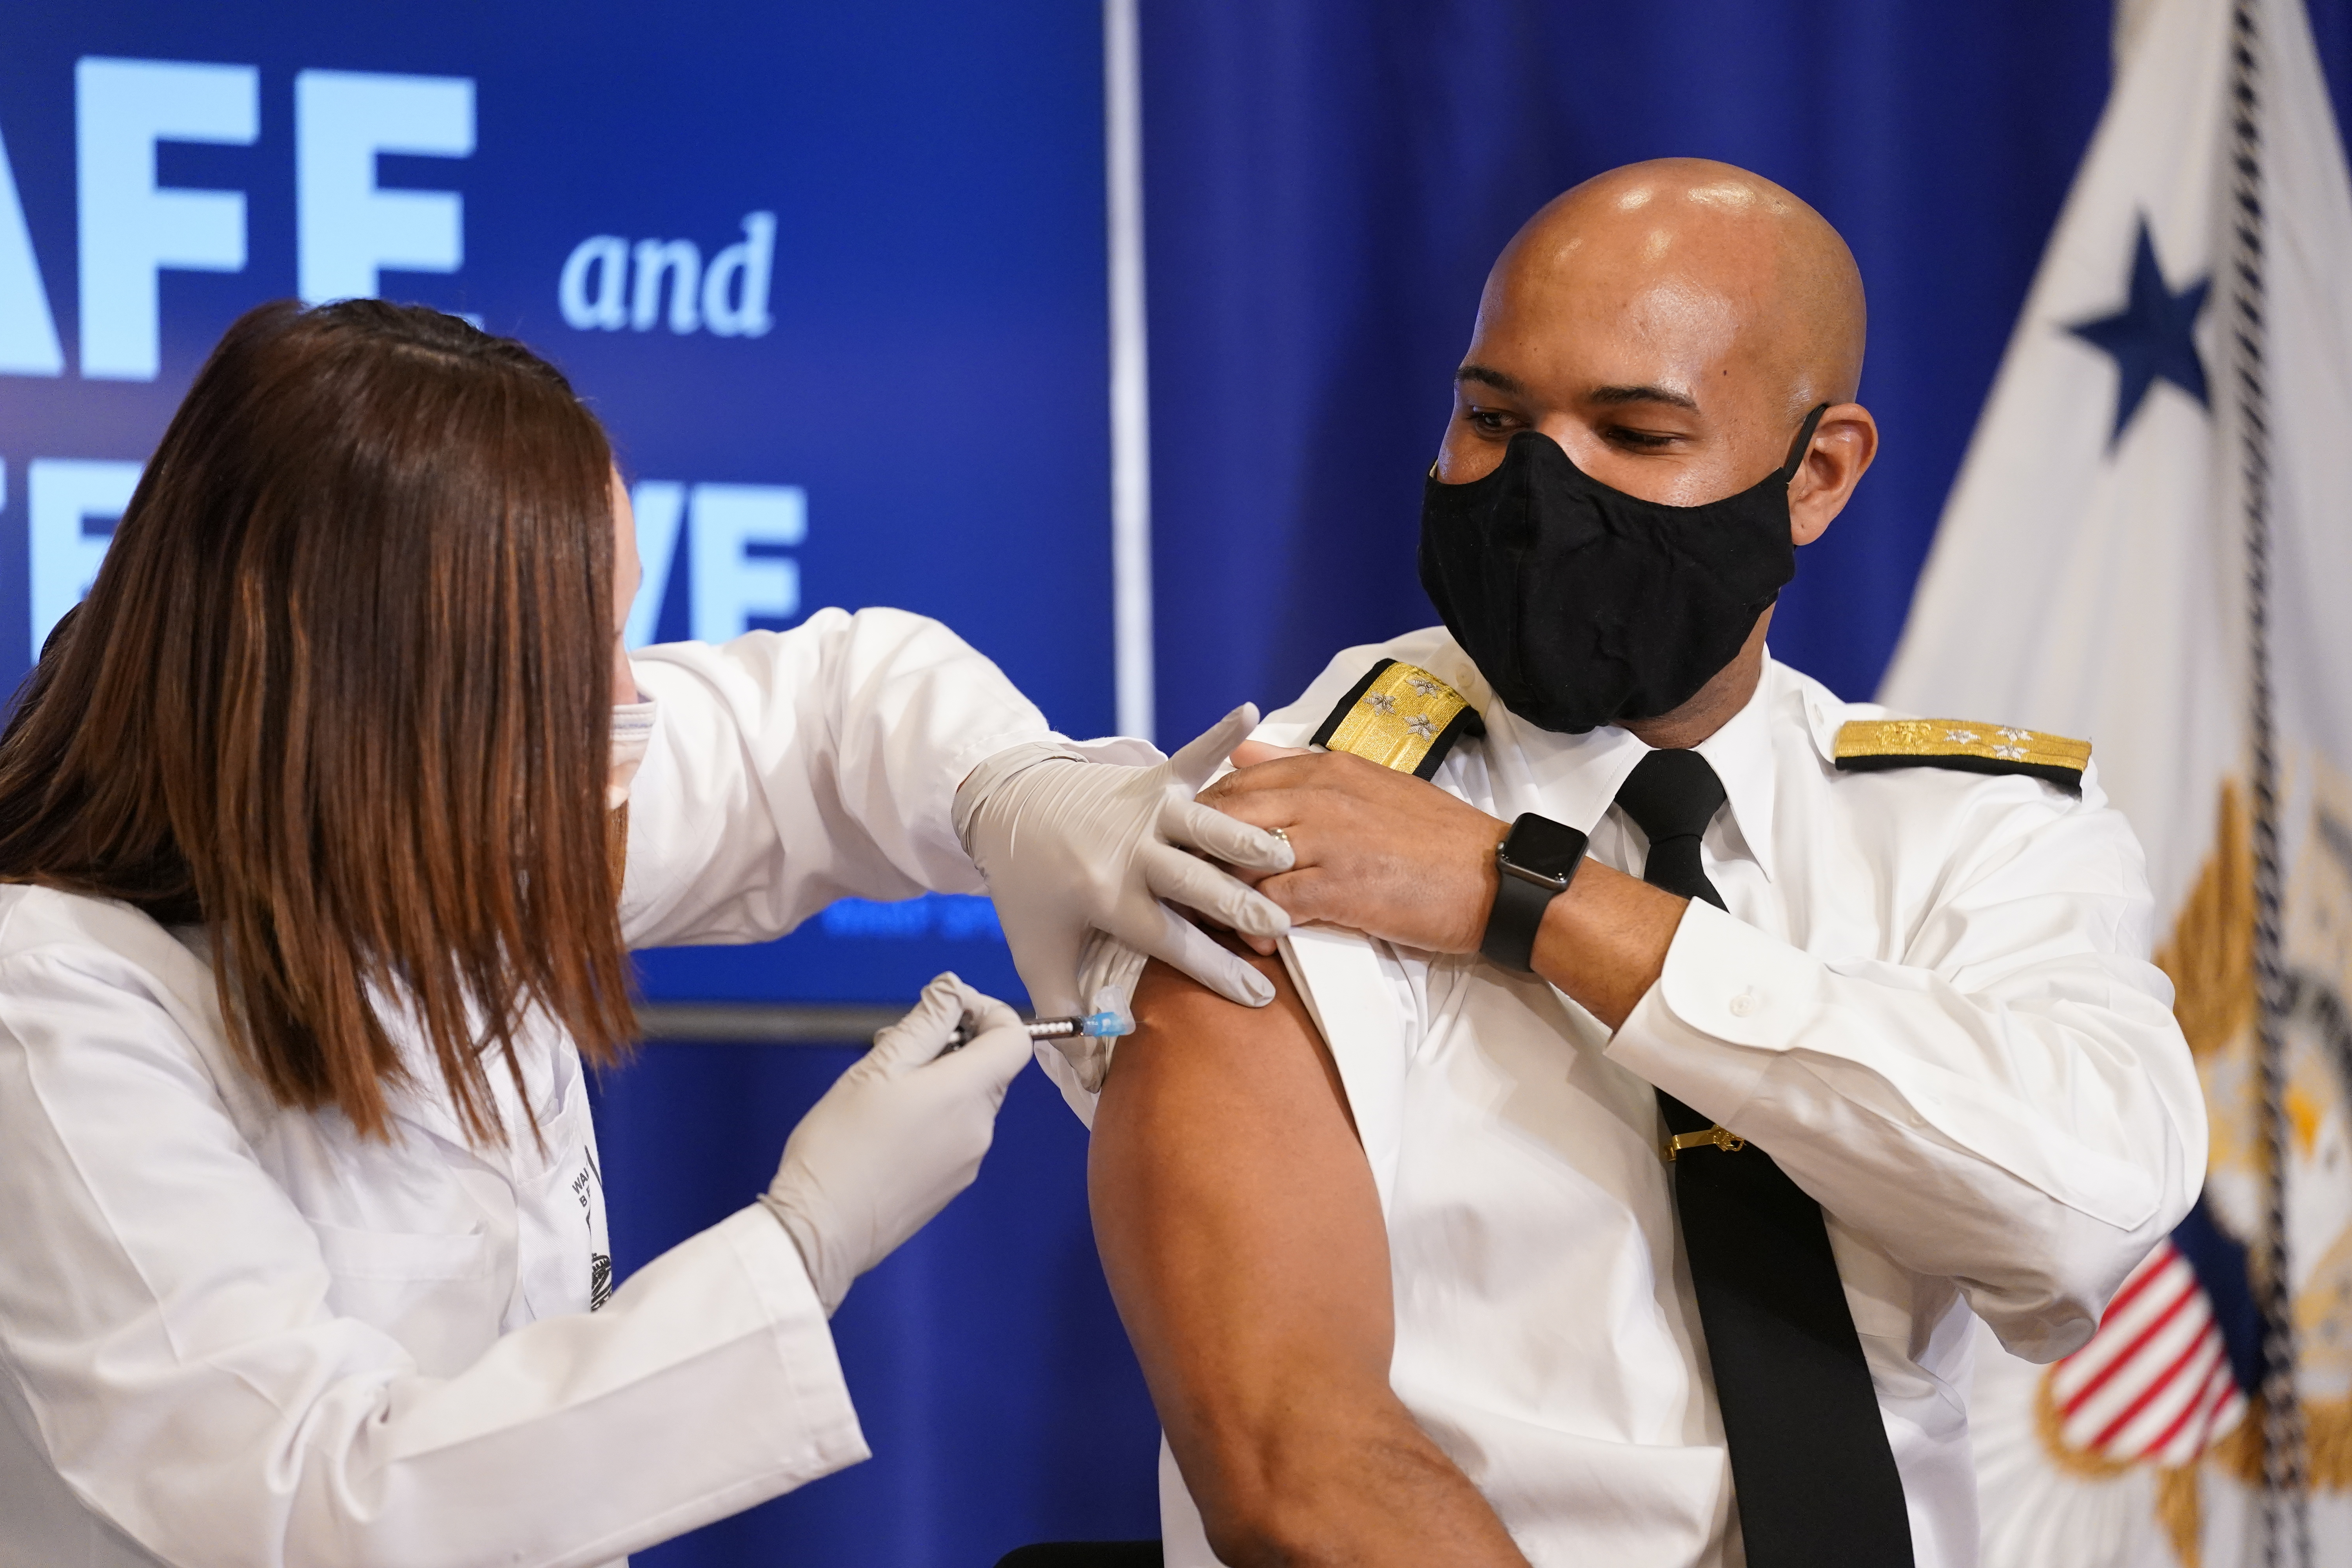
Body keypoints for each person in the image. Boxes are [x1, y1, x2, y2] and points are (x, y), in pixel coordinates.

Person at [0, 298, 1294, 1566]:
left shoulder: (444, 814)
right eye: (574, 660)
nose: (633, 706)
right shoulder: (56, 1014)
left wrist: (1017, 788)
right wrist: (805, 1242)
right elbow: (320, 1507)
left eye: (620, 632)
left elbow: (826, 719)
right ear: (374, 685)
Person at [1081, 161, 2205, 1568]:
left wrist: (1529, 898)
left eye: (1634, 432)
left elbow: (2080, 1213)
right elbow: (1294, 1466)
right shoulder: (1298, 813)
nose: (1539, 491)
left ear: (1818, 474)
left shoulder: (1969, 823)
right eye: (1492, 419)